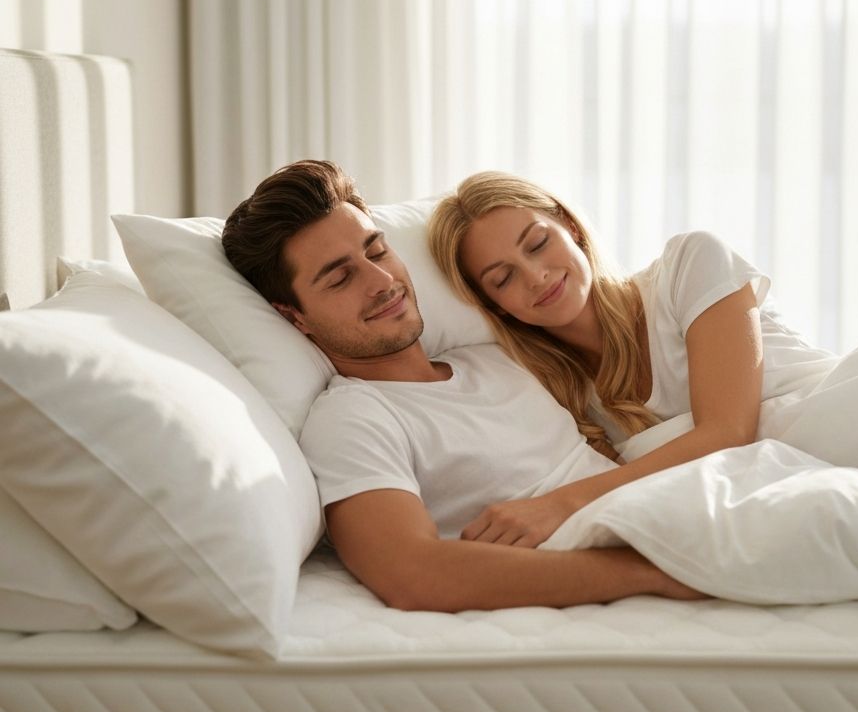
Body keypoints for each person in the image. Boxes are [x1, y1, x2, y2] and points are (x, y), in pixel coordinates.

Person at [222, 159, 708, 612]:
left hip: (678, 506)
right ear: (294, 317)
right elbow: (409, 572)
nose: (380, 281)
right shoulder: (352, 418)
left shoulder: (497, 358)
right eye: (340, 278)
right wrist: (649, 573)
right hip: (640, 546)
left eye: (377, 251)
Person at [426, 172, 858, 546]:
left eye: (538, 243)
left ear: (571, 227)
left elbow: (729, 432)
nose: (537, 276)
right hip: (856, 470)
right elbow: (711, 489)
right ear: (492, 306)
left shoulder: (688, 266)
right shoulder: (568, 406)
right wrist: (841, 490)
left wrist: (557, 505)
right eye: (503, 277)